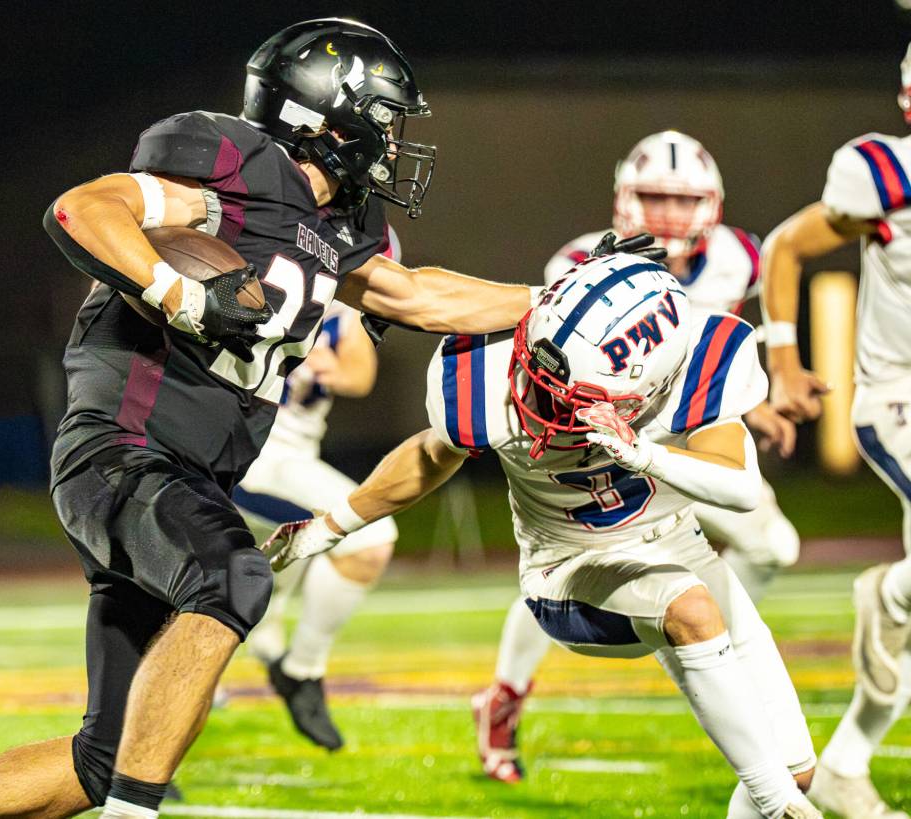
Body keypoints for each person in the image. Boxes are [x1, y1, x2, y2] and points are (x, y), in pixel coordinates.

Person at [0, 19, 535, 819]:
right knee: (234, 576)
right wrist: (181, 293)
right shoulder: (231, 162)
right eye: (386, 119)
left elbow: (417, 295)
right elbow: (84, 209)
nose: (395, 143)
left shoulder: (343, 229)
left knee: (103, 756)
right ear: (328, 116)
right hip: (120, 451)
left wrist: (555, 298)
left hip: (186, 476)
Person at [264, 248, 823, 818]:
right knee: (696, 615)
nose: (541, 401)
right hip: (569, 572)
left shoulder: (702, 352)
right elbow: (431, 456)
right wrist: (327, 528)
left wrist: (644, 454)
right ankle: (782, 808)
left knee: (796, 766)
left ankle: (784, 798)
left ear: (650, 384)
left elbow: (740, 488)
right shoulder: (495, 364)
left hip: (679, 548)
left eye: (570, 397)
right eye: (540, 379)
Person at [474, 131, 802, 783]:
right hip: (610, 443)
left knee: (772, 545)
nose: (669, 215)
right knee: (574, 560)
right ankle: (507, 696)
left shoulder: (740, 255)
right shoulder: (581, 262)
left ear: (712, 204)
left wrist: (748, 401)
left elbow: (718, 346)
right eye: (654, 197)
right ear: (625, 198)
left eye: (684, 201)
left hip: (689, 440)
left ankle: (707, 637)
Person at [757, 43, 911, 819]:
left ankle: (846, 763)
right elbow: (786, 245)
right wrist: (783, 359)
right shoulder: (888, 174)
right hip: (900, 396)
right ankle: (891, 590)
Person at [230, 226, 402, 750]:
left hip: (294, 456)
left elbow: (359, 373)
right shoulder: (259, 270)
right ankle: (300, 670)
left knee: (235, 601)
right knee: (369, 537)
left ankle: (280, 648)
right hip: (249, 454)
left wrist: (326, 363)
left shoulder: (339, 309)